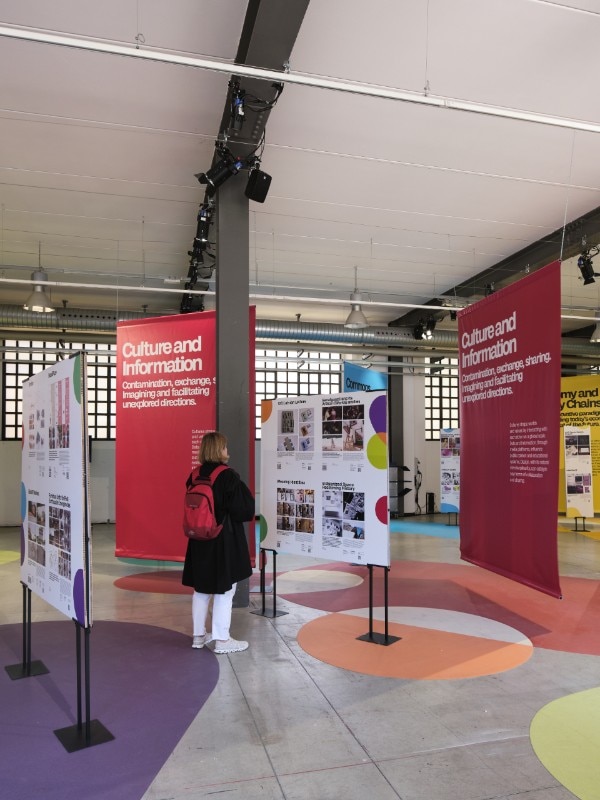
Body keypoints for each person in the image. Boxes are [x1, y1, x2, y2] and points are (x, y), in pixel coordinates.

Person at [181, 431, 254, 654]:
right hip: (223, 540)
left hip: (198, 539)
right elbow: (244, 511)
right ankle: (222, 640)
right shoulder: (228, 476)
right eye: (225, 446)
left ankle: (198, 636)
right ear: (219, 449)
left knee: (201, 589)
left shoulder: (194, 475)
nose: (227, 450)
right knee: (225, 590)